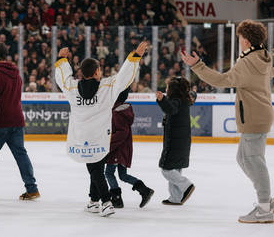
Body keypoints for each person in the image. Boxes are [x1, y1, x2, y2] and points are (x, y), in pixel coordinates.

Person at [181, 19, 274, 223]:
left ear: (247, 41)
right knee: (245, 158)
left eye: (240, 38)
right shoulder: (265, 57)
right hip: (259, 114)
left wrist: (197, 65)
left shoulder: (247, 62)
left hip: (253, 116)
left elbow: (221, 81)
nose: (239, 41)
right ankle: (268, 201)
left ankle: (265, 207)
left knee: (253, 161)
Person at [55, 41, 148, 217]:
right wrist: (135, 57)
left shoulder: (72, 88)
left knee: (94, 168)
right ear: (97, 71)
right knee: (95, 168)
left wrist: (62, 60)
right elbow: (124, 78)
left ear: (82, 72)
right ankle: (102, 202)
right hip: (100, 137)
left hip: (80, 136)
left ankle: (99, 201)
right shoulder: (107, 87)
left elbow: (62, 79)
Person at [0, 43, 40, 200]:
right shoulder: (17, 74)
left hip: (0, 123)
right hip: (17, 121)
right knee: (21, 154)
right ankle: (32, 188)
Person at [105, 87, 154, 208]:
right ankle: (144, 190)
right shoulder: (120, 109)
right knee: (123, 175)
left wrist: (108, 145)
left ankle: (116, 198)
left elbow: (122, 132)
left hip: (117, 149)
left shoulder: (117, 111)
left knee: (109, 173)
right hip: (122, 148)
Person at [156, 77, 196, 206]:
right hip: (182, 140)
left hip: (175, 141)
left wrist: (162, 100)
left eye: (167, 87)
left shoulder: (176, 101)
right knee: (176, 169)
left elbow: (170, 109)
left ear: (172, 90)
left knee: (166, 169)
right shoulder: (184, 100)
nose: (165, 89)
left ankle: (187, 185)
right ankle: (176, 197)